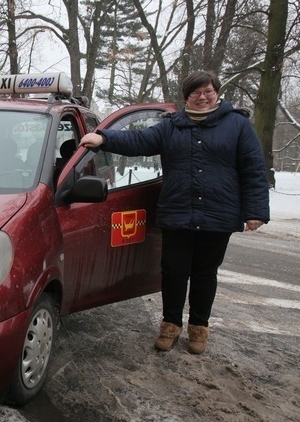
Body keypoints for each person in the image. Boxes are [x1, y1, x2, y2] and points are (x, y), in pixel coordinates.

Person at [80, 71, 270, 354]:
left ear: (216, 92)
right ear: (187, 97)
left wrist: (255, 211)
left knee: (205, 273)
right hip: (178, 212)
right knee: (173, 272)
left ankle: (198, 330)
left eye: (208, 91)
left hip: (218, 215)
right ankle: (170, 326)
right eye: (196, 92)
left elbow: (253, 169)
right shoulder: (171, 126)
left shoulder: (237, 125)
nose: (203, 97)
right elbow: (139, 141)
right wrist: (103, 138)